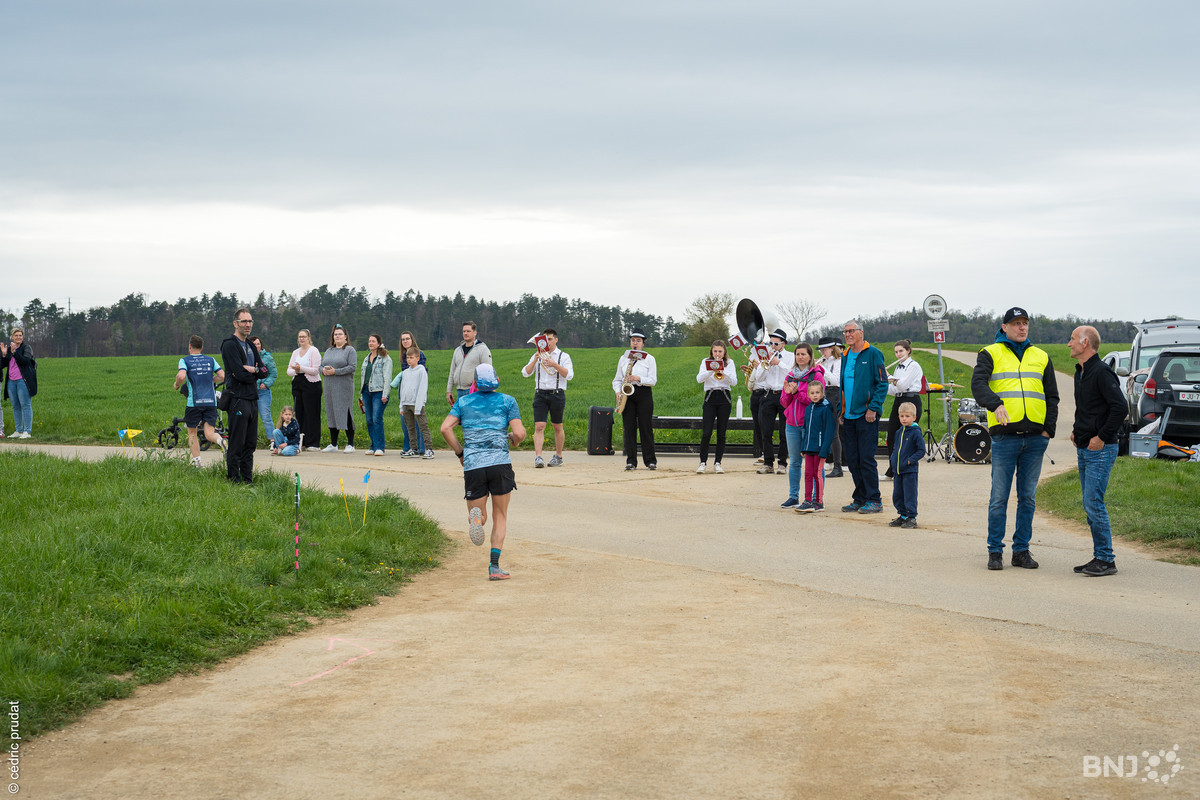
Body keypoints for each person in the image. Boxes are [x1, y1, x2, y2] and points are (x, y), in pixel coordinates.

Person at [972, 306, 1060, 571]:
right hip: (1004, 438)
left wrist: (1048, 429)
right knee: (999, 498)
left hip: (1035, 439)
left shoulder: (1041, 356)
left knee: (1028, 499)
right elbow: (978, 385)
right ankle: (995, 551)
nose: (1022, 328)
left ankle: (1021, 551)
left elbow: (1052, 396)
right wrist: (995, 403)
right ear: (1004, 327)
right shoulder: (990, 353)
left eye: (1025, 323)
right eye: (1016, 323)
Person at [440, 364, 526, 581]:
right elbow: (519, 433)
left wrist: (461, 453)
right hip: (500, 465)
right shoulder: (507, 401)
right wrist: (514, 441)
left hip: (473, 466)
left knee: (480, 514)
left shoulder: (463, 402)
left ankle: (477, 521)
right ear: (496, 380)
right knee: (500, 516)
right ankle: (494, 567)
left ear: (475, 383)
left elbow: (445, 428)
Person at [1067, 325, 1125, 577]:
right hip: (1084, 446)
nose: (1069, 344)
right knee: (1089, 503)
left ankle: (1106, 559)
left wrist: (1101, 437)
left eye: (1072, 339)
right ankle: (1100, 555)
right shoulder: (1080, 372)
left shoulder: (1102, 372)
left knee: (1093, 502)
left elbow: (1120, 408)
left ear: (1084, 343)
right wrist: (1076, 430)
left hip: (1100, 449)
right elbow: (1086, 408)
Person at [839, 320, 888, 514]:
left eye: (851, 331)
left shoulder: (873, 353)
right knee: (852, 460)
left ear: (861, 332)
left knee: (866, 459)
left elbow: (882, 383)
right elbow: (843, 385)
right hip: (848, 416)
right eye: (845, 332)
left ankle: (874, 500)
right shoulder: (845, 355)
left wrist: (873, 408)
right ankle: (859, 498)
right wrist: (841, 410)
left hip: (866, 415)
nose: (848, 335)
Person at [220, 308, 268, 484]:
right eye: (244, 321)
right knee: (237, 442)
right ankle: (234, 480)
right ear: (236, 323)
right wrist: (253, 373)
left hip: (252, 398)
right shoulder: (229, 345)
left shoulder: (250, 345)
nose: (248, 324)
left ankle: (248, 480)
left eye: (250, 321)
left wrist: (252, 369)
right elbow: (239, 375)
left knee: (250, 443)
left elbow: (264, 371)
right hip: (238, 399)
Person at [779, 343, 825, 506]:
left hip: (810, 425)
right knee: (794, 463)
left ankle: (816, 498)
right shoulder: (790, 376)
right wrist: (788, 394)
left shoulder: (816, 376)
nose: (800, 357)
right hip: (791, 425)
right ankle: (793, 497)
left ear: (810, 356)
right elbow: (784, 403)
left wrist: (797, 393)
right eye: (797, 354)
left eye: (803, 354)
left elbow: (817, 401)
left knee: (814, 464)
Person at [522, 328, 574, 467]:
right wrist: (535, 360)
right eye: (545, 339)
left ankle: (558, 456)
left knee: (557, 426)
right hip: (540, 394)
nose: (547, 342)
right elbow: (525, 373)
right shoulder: (537, 355)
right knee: (539, 426)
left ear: (556, 340)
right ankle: (538, 457)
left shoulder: (564, 356)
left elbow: (569, 375)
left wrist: (554, 364)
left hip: (557, 394)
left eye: (550, 339)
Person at [173, 334, 227, 468]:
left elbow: (181, 376)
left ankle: (197, 463)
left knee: (192, 433)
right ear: (202, 347)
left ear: (189, 347)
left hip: (194, 403)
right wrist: (211, 379)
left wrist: (177, 384)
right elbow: (222, 376)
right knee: (209, 433)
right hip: (211, 402)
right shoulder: (211, 360)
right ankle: (220, 441)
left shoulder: (184, 360)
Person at [613, 328, 658, 470]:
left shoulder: (649, 359)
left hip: (644, 392)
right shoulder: (623, 358)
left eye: (638, 341)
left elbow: (653, 380)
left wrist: (639, 378)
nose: (635, 343)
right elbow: (617, 379)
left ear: (643, 343)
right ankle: (631, 461)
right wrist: (618, 391)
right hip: (627, 394)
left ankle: (650, 461)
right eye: (633, 340)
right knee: (629, 428)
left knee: (645, 427)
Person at [755, 329, 795, 475]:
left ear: (783, 343)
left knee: (784, 431)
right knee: (766, 431)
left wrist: (779, 363)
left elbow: (793, 373)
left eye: (776, 343)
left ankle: (782, 463)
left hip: (785, 395)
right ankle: (768, 463)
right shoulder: (766, 356)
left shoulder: (790, 357)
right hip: (769, 394)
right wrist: (765, 365)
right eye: (770, 343)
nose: (772, 346)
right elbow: (758, 378)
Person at [884, 340, 924, 479]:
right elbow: (895, 390)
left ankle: (906, 469)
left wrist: (888, 376)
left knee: (907, 437)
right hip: (899, 400)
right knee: (892, 435)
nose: (898, 354)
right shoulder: (898, 368)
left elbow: (902, 385)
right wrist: (881, 384)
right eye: (896, 352)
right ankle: (893, 469)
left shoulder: (914, 366)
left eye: (901, 351)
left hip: (911, 401)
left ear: (908, 350)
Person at [696, 340, 737, 473]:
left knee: (721, 432)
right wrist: (711, 369)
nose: (717, 354)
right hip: (710, 396)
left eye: (720, 351)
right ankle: (702, 462)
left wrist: (722, 370)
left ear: (724, 352)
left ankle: (718, 462)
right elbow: (699, 379)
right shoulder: (705, 362)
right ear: (711, 351)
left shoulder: (729, 363)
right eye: (715, 351)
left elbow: (734, 382)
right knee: (707, 432)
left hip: (724, 397)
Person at [796, 381, 837, 512]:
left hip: (820, 449)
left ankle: (818, 502)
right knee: (808, 474)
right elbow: (806, 429)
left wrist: (824, 449)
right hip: (809, 448)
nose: (815, 395)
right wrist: (803, 447)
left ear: (822, 393)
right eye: (812, 393)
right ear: (808, 394)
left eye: (817, 392)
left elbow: (829, 431)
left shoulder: (826, 409)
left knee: (817, 474)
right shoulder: (808, 409)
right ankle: (807, 500)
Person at [888, 402, 927, 528]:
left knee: (909, 494)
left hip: (910, 470)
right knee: (898, 494)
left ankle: (912, 517)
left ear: (914, 417)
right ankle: (903, 515)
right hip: (898, 470)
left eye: (907, 416)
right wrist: (893, 460)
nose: (904, 419)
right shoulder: (899, 432)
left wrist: (910, 461)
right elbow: (895, 448)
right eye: (902, 416)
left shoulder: (915, 432)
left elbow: (921, 450)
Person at [321, 324, 358, 453]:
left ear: (345, 337)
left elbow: (352, 367)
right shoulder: (329, 351)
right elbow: (321, 365)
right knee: (331, 412)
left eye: (340, 334)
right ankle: (333, 444)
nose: (337, 336)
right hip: (329, 386)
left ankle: (350, 444)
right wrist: (323, 370)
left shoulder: (349, 350)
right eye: (335, 334)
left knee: (345, 412)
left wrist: (335, 371)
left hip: (343, 387)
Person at [394, 346, 434, 459]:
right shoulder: (405, 372)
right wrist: (401, 406)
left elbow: (422, 389)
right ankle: (413, 449)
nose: (409, 360)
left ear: (417, 358)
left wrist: (418, 406)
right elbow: (402, 389)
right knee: (410, 427)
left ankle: (429, 449)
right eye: (407, 358)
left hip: (417, 404)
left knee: (423, 426)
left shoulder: (421, 371)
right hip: (406, 403)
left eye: (411, 358)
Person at [287, 329, 324, 451]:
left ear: (308, 338)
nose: (302, 339)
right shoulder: (295, 352)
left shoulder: (313, 351)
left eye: (304, 336)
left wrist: (300, 368)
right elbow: (289, 370)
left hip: (311, 385)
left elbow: (315, 370)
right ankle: (301, 441)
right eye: (300, 337)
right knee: (299, 413)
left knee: (312, 413)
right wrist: (296, 371)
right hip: (298, 384)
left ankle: (313, 443)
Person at [359, 334, 393, 456]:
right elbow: (363, 377)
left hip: (379, 392)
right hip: (366, 391)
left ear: (379, 343)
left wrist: (385, 394)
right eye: (369, 341)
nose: (371, 343)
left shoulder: (385, 358)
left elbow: (387, 377)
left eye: (373, 341)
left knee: (376, 418)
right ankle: (373, 446)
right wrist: (361, 395)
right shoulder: (366, 359)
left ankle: (380, 447)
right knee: (369, 420)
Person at [0, 328, 36, 439]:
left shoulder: (26, 348)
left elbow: (25, 361)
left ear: (22, 337)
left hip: (23, 381)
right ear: (12, 337)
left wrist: (14, 353)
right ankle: (18, 430)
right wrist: (4, 355)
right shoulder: (9, 349)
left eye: (20, 335)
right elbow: (2, 365)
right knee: (16, 406)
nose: (18, 337)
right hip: (11, 381)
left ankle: (27, 431)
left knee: (25, 405)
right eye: (16, 335)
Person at [817, 337, 845, 478]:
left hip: (835, 394)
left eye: (824, 350)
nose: (822, 353)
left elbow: (836, 380)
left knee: (834, 433)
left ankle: (838, 466)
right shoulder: (825, 361)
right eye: (821, 350)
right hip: (824, 393)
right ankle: (825, 461)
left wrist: (822, 369)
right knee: (824, 430)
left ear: (831, 349)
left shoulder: (839, 361)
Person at [396, 331, 427, 454]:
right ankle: (409, 447)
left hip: (415, 392)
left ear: (412, 339)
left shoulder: (419, 354)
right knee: (406, 422)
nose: (405, 341)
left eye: (407, 339)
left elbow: (421, 374)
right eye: (403, 339)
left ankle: (421, 448)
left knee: (419, 422)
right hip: (405, 390)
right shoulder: (403, 355)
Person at [446, 321, 492, 403]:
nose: (465, 333)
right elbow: (452, 372)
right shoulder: (457, 350)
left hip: (474, 392)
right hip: (459, 391)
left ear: (475, 333)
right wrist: (449, 391)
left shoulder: (482, 349)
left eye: (468, 331)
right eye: (464, 331)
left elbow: (488, 371)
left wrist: (484, 392)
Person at [247, 335, 277, 443]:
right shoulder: (246, 357)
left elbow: (273, 374)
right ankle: (249, 440)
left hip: (262, 392)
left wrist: (266, 384)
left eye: (258, 344)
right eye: (254, 344)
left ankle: (273, 440)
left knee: (265, 417)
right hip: (249, 391)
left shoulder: (267, 357)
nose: (257, 346)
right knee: (248, 417)